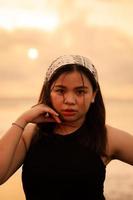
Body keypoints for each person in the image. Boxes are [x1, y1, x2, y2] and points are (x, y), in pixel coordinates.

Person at [0, 55, 133, 200]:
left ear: (93, 94)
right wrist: (22, 120)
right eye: (60, 91)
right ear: (48, 92)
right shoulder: (31, 134)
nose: (69, 100)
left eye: (80, 91)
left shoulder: (106, 137)